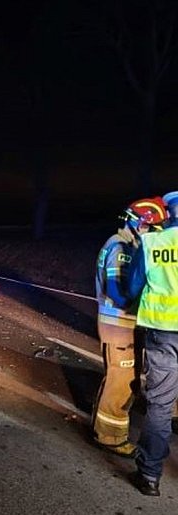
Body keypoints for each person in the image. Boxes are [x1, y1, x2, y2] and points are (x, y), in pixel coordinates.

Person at [93, 197, 168, 458]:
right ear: (137, 223)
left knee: (126, 378)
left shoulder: (128, 244)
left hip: (126, 325)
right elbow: (118, 292)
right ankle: (110, 436)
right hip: (118, 324)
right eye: (151, 228)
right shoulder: (121, 247)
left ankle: (105, 429)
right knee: (121, 380)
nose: (152, 233)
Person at [127, 190, 178, 496]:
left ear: (168, 213)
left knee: (160, 404)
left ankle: (149, 476)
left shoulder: (152, 243)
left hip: (163, 332)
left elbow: (132, 286)